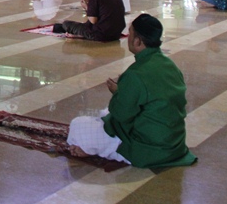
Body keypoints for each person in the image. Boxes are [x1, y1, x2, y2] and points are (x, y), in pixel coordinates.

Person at [67, 13, 197, 168]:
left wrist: (119, 93)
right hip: (174, 145)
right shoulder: (170, 66)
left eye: (130, 33)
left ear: (138, 41)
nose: (127, 38)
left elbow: (120, 114)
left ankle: (92, 148)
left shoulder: (136, 74)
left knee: (79, 125)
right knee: (103, 116)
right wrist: (122, 92)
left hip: (146, 148)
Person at [57, 0, 125, 41]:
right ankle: (83, 34)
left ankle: (83, 35)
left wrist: (86, 7)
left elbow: (93, 20)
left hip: (102, 34)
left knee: (66, 24)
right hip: (117, 33)